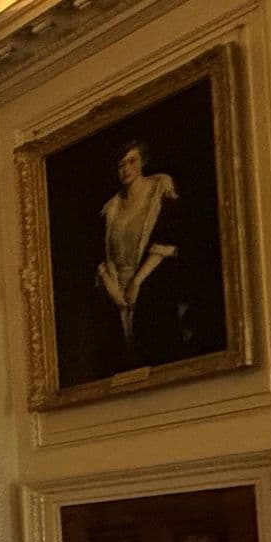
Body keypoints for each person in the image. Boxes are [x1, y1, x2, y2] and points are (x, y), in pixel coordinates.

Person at [96, 140, 186, 371]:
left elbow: (166, 243)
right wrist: (114, 290)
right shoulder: (112, 207)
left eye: (132, 161)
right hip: (117, 289)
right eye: (121, 164)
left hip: (149, 283)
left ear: (143, 161)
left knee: (156, 347)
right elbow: (105, 258)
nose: (126, 169)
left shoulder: (160, 189)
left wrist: (137, 282)